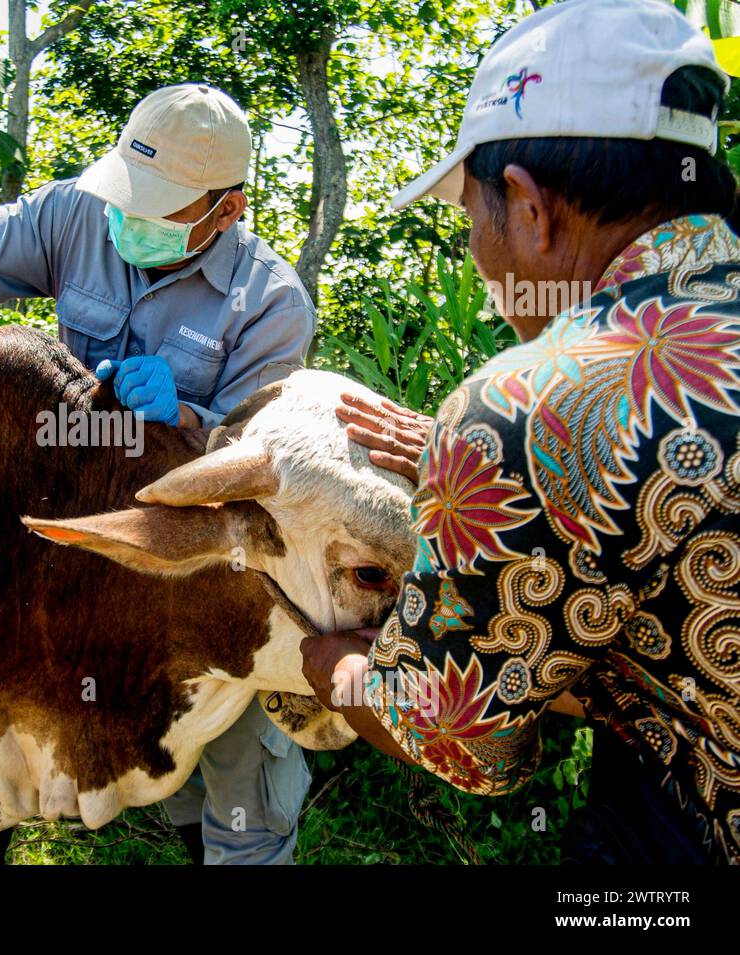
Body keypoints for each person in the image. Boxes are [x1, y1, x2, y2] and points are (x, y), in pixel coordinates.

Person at [307, 0, 740, 864]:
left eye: (472, 216)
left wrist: (335, 667)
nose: (478, 246)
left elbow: (463, 738)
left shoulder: (525, 406)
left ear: (529, 207)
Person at [0, 83, 317, 863]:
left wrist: (189, 416)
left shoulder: (272, 304)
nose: (127, 219)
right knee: (148, 727)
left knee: (232, 744)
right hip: (90, 547)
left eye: (157, 208)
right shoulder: (80, 215)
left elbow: (264, 459)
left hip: (203, 558)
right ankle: (187, 832)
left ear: (226, 211)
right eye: (129, 191)